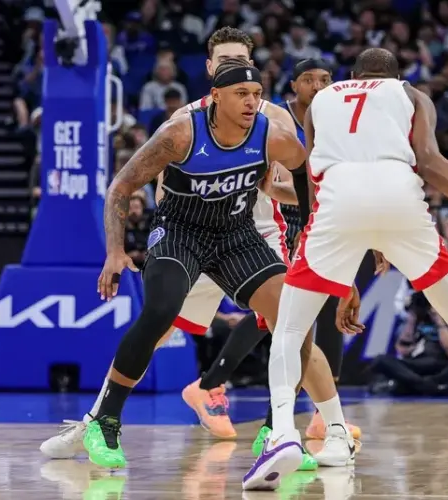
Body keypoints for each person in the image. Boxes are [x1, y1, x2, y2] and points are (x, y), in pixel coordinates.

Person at [244, 48, 448, 491]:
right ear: (396, 77)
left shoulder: (320, 102)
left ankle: (282, 434)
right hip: (400, 201)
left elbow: (317, 183)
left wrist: (343, 270)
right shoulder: (411, 95)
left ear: (352, 76)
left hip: (336, 207)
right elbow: (428, 161)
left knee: (290, 329)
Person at [40, 29, 321, 470]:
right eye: (241, 94)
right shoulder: (180, 132)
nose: (251, 102)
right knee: (161, 311)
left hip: (236, 234)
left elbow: (304, 173)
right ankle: (104, 420)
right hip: (180, 232)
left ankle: (277, 431)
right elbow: (121, 187)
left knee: (296, 318)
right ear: (215, 95)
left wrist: (308, 227)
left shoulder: (273, 134)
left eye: (256, 94)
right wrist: (114, 251)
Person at [250, 58, 361, 461]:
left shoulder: (341, 128)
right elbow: (282, 186)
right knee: (288, 327)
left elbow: (345, 190)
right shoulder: (279, 124)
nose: (318, 86)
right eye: (310, 79)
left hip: (327, 228)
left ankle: (303, 426)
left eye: (325, 79)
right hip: (292, 228)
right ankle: (293, 427)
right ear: (293, 85)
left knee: (301, 330)